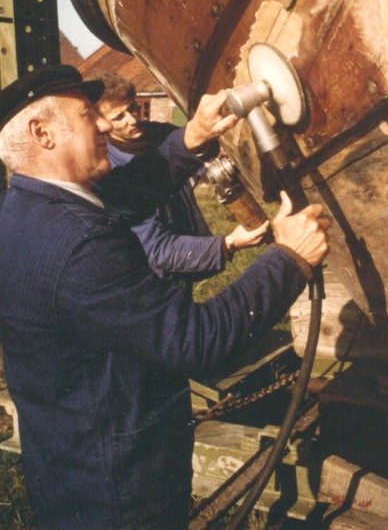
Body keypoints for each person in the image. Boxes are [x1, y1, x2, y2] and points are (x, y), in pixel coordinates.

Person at [0, 64, 329, 530]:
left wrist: (192, 138)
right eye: (88, 115)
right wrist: (289, 259)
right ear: (43, 133)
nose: (103, 125)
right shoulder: (78, 245)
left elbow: (125, 192)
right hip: (120, 493)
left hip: (71, 467)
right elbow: (196, 341)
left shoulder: (28, 208)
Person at [93, 71, 269, 280]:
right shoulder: (112, 172)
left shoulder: (159, 134)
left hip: (186, 247)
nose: (132, 119)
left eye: (132, 108)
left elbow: (201, 156)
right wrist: (228, 244)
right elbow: (156, 249)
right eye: (119, 117)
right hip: (154, 276)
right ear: (102, 123)